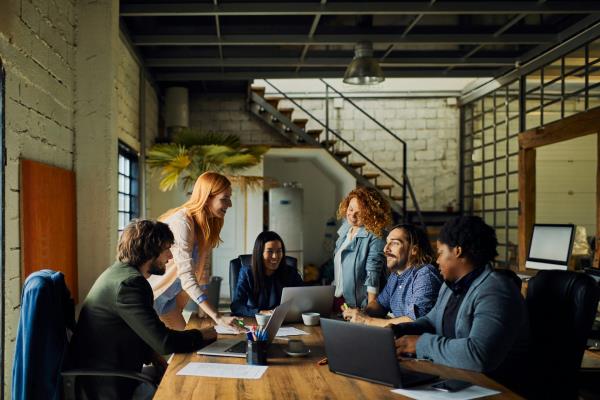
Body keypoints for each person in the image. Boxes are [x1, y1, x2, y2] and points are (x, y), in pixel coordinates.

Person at [67, 219, 217, 400]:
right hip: (107, 386)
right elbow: (165, 342)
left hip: (112, 374)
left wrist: (153, 356)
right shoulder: (129, 285)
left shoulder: (119, 274)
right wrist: (203, 334)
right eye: (166, 249)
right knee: (190, 390)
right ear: (149, 251)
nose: (170, 257)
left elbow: (138, 331)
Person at [393, 216, 530, 395]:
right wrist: (399, 330)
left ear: (457, 251)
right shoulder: (451, 285)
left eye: (440, 252)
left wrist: (419, 345)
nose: (437, 260)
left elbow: (478, 355)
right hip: (459, 380)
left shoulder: (496, 291)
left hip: (495, 389)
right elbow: (431, 322)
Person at [147, 171, 241, 331]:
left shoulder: (204, 226)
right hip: (151, 298)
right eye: (224, 199)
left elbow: (199, 270)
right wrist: (216, 316)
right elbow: (186, 275)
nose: (230, 204)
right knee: (159, 351)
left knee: (181, 350)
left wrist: (198, 308)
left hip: (169, 301)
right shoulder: (182, 223)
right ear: (206, 197)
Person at [342, 224, 442, 326]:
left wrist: (366, 320)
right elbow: (380, 304)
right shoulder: (395, 276)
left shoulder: (425, 274)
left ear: (414, 250)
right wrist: (360, 314)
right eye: (387, 242)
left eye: (394, 243)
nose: (385, 249)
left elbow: (414, 322)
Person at [333, 186, 391, 309]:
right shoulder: (345, 232)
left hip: (361, 306)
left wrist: (370, 311)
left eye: (360, 213)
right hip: (341, 302)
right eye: (351, 209)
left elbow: (373, 274)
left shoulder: (376, 236)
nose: (352, 215)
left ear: (371, 214)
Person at [230, 231, 303, 317]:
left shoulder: (290, 272)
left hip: (286, 321)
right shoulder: (247, 273)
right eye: (270, 251)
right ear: (259, 253)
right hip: (256, 321)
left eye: (279, 251)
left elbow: (305, 298)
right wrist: (260, 312)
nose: (275, 256)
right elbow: (236, 306)